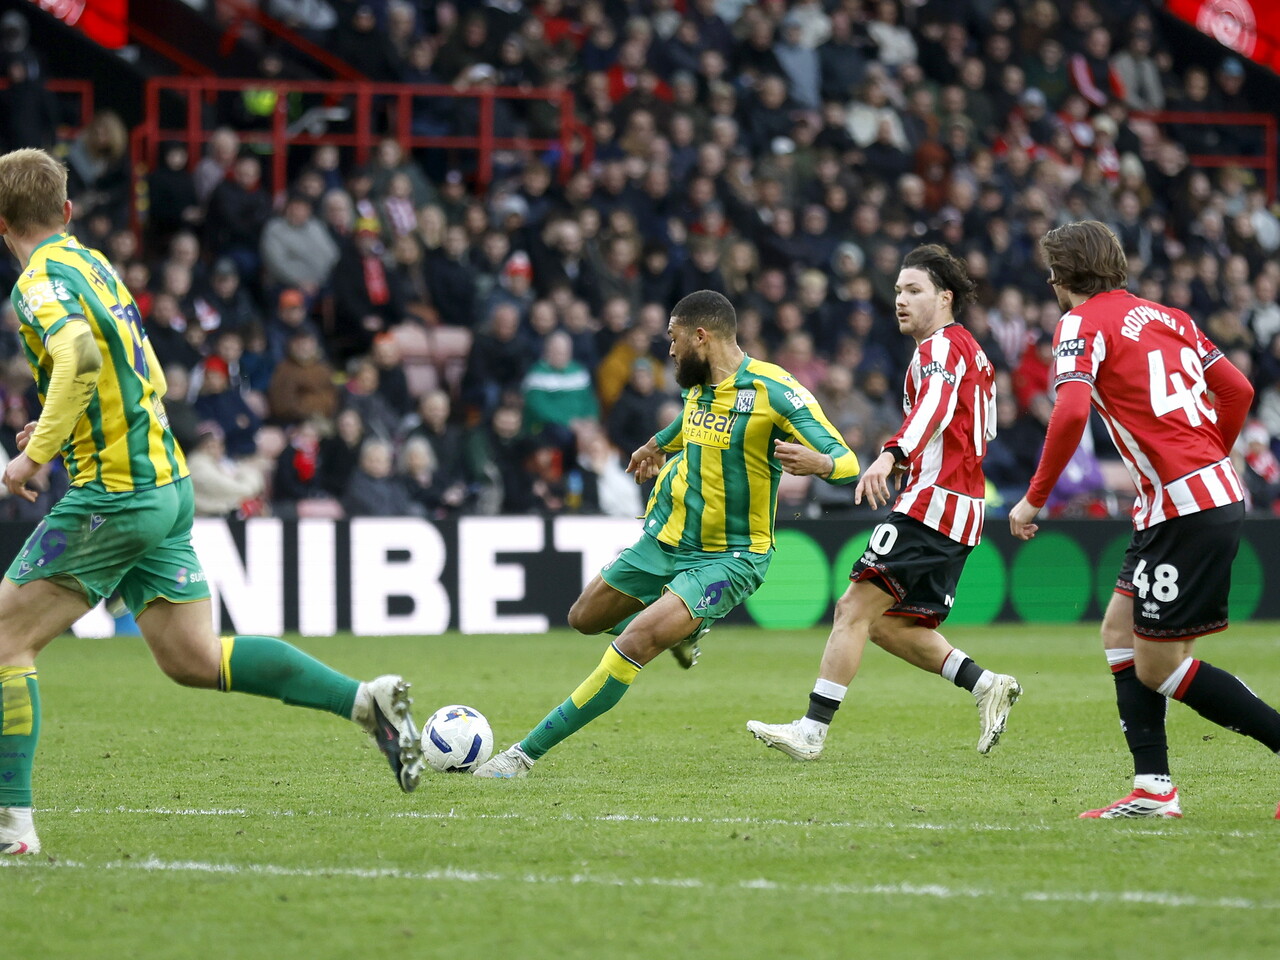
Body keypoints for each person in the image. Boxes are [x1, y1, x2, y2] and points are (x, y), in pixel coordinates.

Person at [0, 150, 425, 857]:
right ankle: (365, 701)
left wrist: (33, 455)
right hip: (166, 484)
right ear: (67, 211)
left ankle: (11, 826)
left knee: (5, 641)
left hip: (116, 493)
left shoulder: (38, 281)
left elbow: (81, 355)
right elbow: (148, 371)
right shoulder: (93, 264)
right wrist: (60, 422)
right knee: (193, 658)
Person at [472, 290, 862, 778]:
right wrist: (657, 443)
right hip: (667, 540)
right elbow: (694, 421)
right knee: (583, 618)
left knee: (635, 642)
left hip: (731, 557)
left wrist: (820, 463)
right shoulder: (698, 383)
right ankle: (686, 628)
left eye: (674, 338)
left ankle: (521, 756)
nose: (670, 350)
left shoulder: (775, 391)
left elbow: (848, 462)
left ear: (701, 336)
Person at [1009, 220, 1280, 820]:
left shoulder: (1079, 323)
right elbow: (1237, 390)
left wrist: (1034, 498)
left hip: (1184, 505)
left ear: (1065, 275)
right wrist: (1207, 456)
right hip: (1197, 496)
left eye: (1052, 272)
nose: (1050, 282)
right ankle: (1154, 788)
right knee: (1118, 631)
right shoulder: (1170, 317)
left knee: (1159, 667)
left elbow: (1070, 412)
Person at [747, 245, 1022, 762]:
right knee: (889, 623)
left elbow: (934, 407)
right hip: (961, 508)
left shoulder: (940, 347)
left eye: (914, 290)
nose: (900, 300)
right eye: (897, 290)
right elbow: (975, 428)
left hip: (932, 504)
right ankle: (987, 684)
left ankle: (811, 731)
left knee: (852, 608)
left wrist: (892, 454)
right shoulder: (971, 350)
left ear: (945, 298)